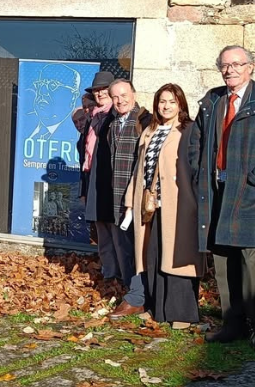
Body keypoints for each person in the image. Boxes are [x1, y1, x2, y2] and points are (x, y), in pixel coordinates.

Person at [192, 45, 255, 354]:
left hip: (253, 192)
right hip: (217, 191)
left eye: (237, 64)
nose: (230, 70)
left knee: (252, 262)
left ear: (250, 67)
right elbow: (196, 143)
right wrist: (198, 173)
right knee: (223, 262)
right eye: (225, 65)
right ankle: (232, 324)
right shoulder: (213, 100)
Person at [125, 84, 204, 329]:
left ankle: (182, 313)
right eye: (161, 101)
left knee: (178, 256)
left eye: (171, 101)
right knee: (153, 254)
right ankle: (157, 310)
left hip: (179, 203)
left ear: (180, 103)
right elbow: (139, 169)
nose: (166, 106)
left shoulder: (188, 130)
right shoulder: (150, 130)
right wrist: (130, 201)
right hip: (151, 203)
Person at [105, 80, 153, 320]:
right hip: (117, 197)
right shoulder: (114, 124)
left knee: (139, 248)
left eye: (124, 95)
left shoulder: (145, 121)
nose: (120, 100)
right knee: (124, 248)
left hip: (137, 198)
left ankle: (140, 295)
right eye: (115, 97)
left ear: (134, 94)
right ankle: (132, 291)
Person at [79, 71, 121, 282]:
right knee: (102, 233)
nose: (100, 93)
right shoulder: (93, 117)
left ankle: (122, 277)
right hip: (94, 181)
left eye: (104, 89)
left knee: (117, 234)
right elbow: (83, 155)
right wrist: (84, 189)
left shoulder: (117, 115)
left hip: (112, 183)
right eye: (96, 90)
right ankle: (109, 273)